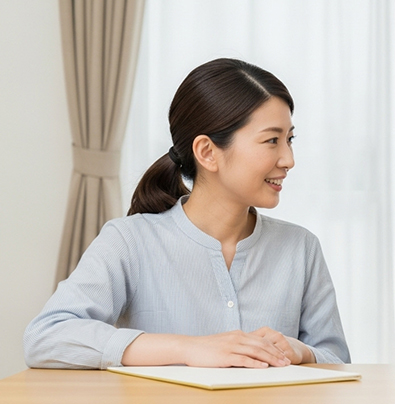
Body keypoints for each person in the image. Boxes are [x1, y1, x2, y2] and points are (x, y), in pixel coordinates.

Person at [24, 58, 350, 369]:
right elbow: (46, 337)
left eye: (289, 139)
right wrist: (188, 348)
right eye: (272, 140)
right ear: (207, 152)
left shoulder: (301, 248)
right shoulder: (128, 241)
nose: (288, 159)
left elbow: (336, 359)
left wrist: (303, 352)